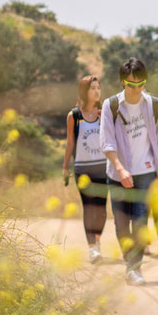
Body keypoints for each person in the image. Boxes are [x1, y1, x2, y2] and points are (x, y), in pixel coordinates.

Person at [99, 58, 158, 286]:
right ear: (122, 83)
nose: (136, 90)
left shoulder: (154, 105)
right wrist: (120, 169)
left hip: (146, 172)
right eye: (131, 85)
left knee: (140, 222)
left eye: (141, 84)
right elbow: (107, 142)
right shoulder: (111, 106)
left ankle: (134, 268)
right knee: (121, 223)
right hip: (118, 173)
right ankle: (129, 261)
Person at [62, 75, 108, 264]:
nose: (97, 91)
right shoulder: (74, 115)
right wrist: (65, 167)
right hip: (83, 169)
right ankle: (92, 248)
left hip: (104, 167)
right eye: (92, 88)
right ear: (84, 91)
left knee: (102, 209)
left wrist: (106, 119)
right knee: (89, 208)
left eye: (98, 88)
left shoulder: (104, 112)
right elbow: (70, 142)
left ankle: (97, 241)